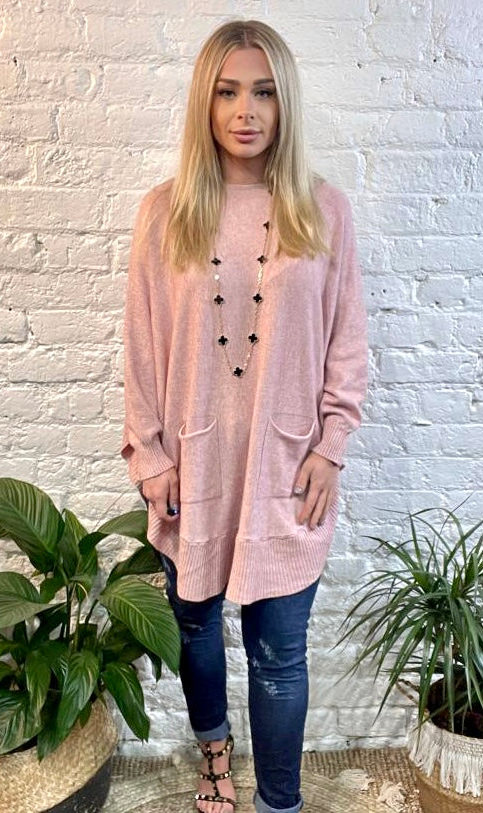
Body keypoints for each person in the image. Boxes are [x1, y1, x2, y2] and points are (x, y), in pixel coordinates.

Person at [121, 18, 368, 813]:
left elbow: (347, 340)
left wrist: (331, 445)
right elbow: (142, 344)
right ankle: (214, 756)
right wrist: (150, 457)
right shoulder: (165, 213)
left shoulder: (323, 211)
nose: (245, 110)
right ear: (205, 101)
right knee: (196, 629)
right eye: (227, 91)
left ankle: (279, 802)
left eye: (263, 92)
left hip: (287, 468)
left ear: (284, 101)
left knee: (279, 652)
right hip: (192, 466)